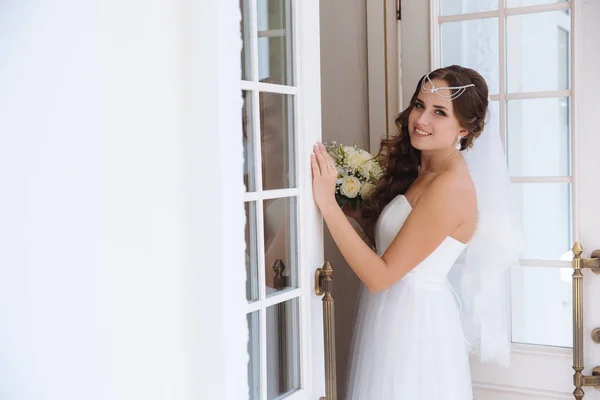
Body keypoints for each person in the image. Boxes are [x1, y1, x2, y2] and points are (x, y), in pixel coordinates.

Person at [310, 65, 518, 399]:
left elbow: (381, 276)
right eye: (419, 105)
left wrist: (328, 207)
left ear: (464, 129)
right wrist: (353, 215)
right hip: (393, 315)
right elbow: (398, 246)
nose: (421, 120)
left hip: (416, 329)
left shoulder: (450, 186)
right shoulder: (428, 170)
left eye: (439, 112)